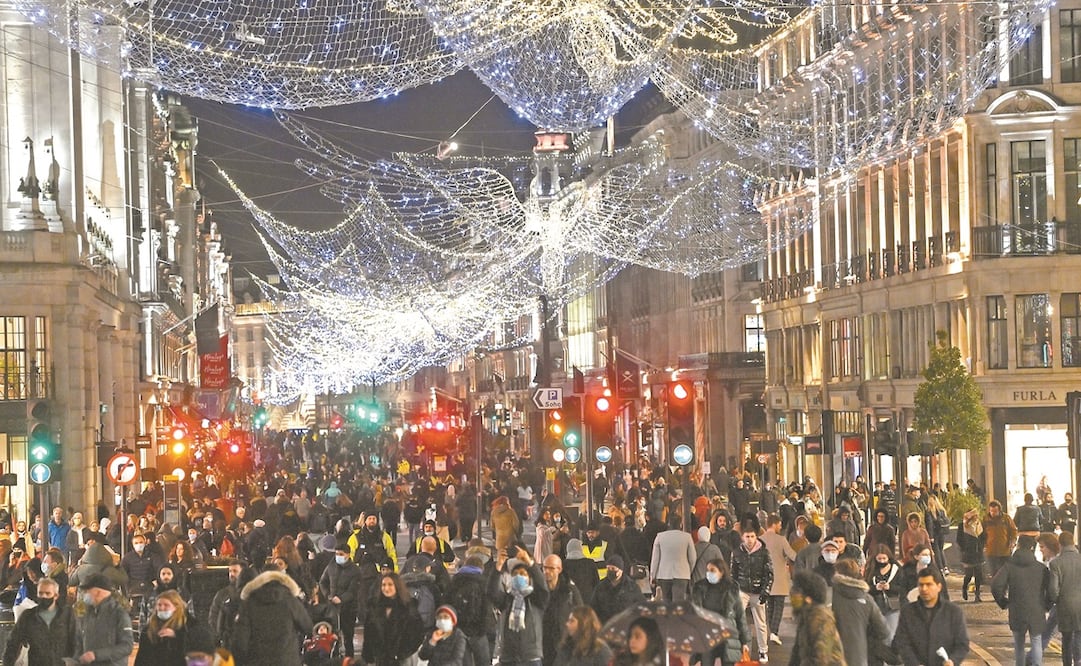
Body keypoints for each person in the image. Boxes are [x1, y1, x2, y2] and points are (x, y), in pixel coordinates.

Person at [231, 568, 313, 666]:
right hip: (287, 660)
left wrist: (240, 661)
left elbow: (240, 640)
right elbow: (308, 627)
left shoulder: (249, 604)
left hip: (258, 661)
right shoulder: (291, 601)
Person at [991, 534, 1051, 666]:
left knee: (1019, 645)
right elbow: (1051, 588)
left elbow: (996, 585)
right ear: (1031, 548)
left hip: (1017, 609)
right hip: (1037, 609)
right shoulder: (1041, 568)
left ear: (1018, 545)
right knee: (1036, 641)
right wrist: (1047, 604)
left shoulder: (1009, 566)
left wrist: (1003, 602)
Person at [893, 567, 969, 666]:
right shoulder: (908, 612)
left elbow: (962, 643)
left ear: (939, 587)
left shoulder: (953, 612)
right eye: (921, 585)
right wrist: (913, 663)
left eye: (929, 585)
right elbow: (902, 642)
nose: (924, 589)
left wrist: (953, 660)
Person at [488, 545, 550, 666]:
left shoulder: (535, 599)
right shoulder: (507, 599)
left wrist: (530, 563)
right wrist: (498, 567)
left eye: (523, 574)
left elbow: (543, 588)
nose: (519, 576)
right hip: (508, 656)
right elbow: (491, 592)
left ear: (529, 578)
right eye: (515, 574)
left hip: (530, 656)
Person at [690, 558, 750, 666]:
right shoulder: (700, 588)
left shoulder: (731, 589)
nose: (709, 573)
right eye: (707, 570)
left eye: (712, 570)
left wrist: (744, 641)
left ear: (721, 572)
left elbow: (740, 616)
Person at [3, 577, 76, 665]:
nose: (44, 596)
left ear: (56, 596)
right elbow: (13, 643)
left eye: (47, 593)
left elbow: (76, 642)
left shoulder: (67, 615)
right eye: (40, 593)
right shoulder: (28, 616)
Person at [134, 589, 215, 666]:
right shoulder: (149, 629)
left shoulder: (190, 625)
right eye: (159, 605)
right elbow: (142, 657)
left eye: (166, 605)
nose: (162, 608)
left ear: (176, 607)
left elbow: (201, 647)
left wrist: (178, 636)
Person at [832, 558, 889, 666]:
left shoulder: (829, 596)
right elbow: (883, 631)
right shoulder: (867, 600)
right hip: (859, 658)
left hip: (832, 657)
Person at [731, 520, 772, 663]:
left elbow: (769, 573)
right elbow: (733, 574)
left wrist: (765, 591)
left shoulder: (764, 552)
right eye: (747, 536)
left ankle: (763, 650)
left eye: (752, 536)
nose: (750, 540)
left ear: (756, 537)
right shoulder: (736, 553)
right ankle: (740, 649)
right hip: (742, 590)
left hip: (757, 590)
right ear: (743, 537)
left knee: (760, 623)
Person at [362, 572, 424, 666]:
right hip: (380, 659)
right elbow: (368, 633)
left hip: (402, 660)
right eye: (383, 585)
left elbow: (417, 633)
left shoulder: (408, 607)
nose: (386, 588)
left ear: (397, 586)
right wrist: (369, 655)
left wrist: (403, 653)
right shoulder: (374, 607)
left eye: (390, 584)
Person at [73, 573, 134, 666]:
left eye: (87, 591)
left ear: (98, 592)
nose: (84, 594)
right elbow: (79, 641)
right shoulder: (86, 613)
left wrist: (96, 655)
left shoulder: (119, 614)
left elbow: (127, 646)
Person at [444, 554, 494, 666]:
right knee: (484, 662)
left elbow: (446, 604)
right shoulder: (483, 582)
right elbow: (486, 608)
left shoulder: (455, 582)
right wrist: (484, 628)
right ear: (481, 568)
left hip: (459, 630)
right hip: (478, 631)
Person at [788, 570, 846, 665]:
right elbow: (797, 653)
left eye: (797, 592)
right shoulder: (805, 615)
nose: (793, 595)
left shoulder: (820, 617)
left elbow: (821, 657)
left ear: (808, 597)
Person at [759, 514, 795, 646]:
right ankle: (774, 632)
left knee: (769, 606)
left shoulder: (760, 540)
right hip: (779, 578)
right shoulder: (781, 540)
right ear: (774, 524)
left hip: (765, 579)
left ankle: (771, 631)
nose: (780, 527)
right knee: (778, 606)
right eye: (779, 524)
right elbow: (792, 555)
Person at [542, 554, 582, 666]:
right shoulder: (539, 590)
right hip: (543, 644)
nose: (547, 571)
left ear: (559, 569)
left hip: (564, 643)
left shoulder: (569, 591)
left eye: (551, 568)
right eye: (545, 567)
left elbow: (581, 615)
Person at [1050, 531, 1081, 666]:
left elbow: (1053, 589)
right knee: (1079, 636)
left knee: (1067, 639)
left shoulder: (1056, 563)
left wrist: (1055, 600)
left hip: (1065, 604)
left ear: (1060, 544)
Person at [649, 514, 696, 602]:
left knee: (666, 601)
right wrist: (689, 570)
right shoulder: (687, 537)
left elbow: (655, 559)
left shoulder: (660, 536)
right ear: (680, 524)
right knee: (679, 602)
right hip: (682, 574)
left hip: (664, 574)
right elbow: (693, 557)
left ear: (668, 524)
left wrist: (653, 576)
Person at [208, 561, 253, 648]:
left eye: (235, 571)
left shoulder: (251, 593)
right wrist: (222, 636)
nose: (231, 574)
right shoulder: (222, 594)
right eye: (230, 571)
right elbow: (213, 616)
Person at [589, 554, 643, 624]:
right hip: (606, 625)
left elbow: (640, 606)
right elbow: (593, 607)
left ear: (620, 570)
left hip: (626, 625)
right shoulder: (601, 587)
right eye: (608, 568)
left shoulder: (631, 587)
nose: (610, 571)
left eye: (613, 569)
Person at [866, 545, 903, 643]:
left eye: (884, 558)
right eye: (879, 558)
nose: (882, 561)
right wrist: (875, 588)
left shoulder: (896, 570)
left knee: (890, 634)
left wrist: (890, 587)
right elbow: (865, 587)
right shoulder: (871, 569)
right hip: (875, 606)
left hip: (893, 606)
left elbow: (903, 587)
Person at [956, 509, 986, 602]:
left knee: (978, 575)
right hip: (968, 553)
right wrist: (964, 548)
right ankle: (965, 588)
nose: (976, 517)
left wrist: (981, 546)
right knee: (968, 575)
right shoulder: (963, 526)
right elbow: (959, 539)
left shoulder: (979, 525)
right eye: (974, 515)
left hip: (978, 553)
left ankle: (977, 595)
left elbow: (984, 536)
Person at [985, 500, 1018, 579]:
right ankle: (996, 588)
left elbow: (1013, 530)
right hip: (991, 551)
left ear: (999, 510)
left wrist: (1012, 541)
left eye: (995, 511)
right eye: (991, 511)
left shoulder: (1006, 518)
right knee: (994, 572)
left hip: (1004, 551)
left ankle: (1004, 587)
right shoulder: (986, 519)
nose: (993, 513)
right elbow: (982, 533)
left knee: (1004, 572)